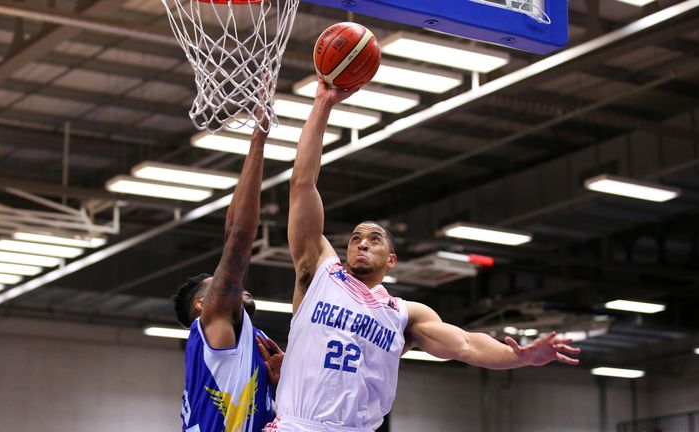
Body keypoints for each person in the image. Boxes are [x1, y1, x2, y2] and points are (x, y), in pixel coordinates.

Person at [265, 79, 581, 432]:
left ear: (391, 260)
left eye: (374, 238)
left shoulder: (404, 315)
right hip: (296, 425)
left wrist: (518, 357)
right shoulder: (320, 271)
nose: (362, 243)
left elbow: (465, 345)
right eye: (355, 237)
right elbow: (302, 185)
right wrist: (323, 104)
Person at [173, 119, 284, 432]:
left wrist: (281, 387)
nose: (235, 286)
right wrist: (258, 140)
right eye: (217, 282)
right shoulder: (216, 320)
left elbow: (232, 231)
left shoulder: (249, 338)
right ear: (201, 304)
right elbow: (238, 237)